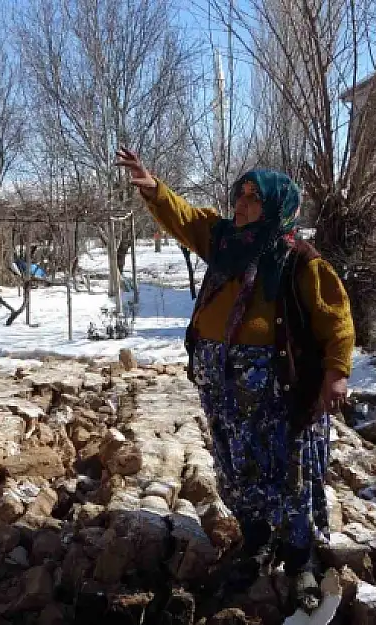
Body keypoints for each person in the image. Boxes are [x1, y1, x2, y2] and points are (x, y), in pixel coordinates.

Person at [115, 148, 355, 610]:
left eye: (253, 199)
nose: (241, 205)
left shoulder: (298, 260)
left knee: (289, 474)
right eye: (239, 195)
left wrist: (336, 373)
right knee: (235, 469)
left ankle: (301, 560)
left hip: (278, 392)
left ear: (278, 206)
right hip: (223, 389)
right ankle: (257, 542)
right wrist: (153, 187)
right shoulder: (226, 242)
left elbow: (337, 321)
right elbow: (185, 219)